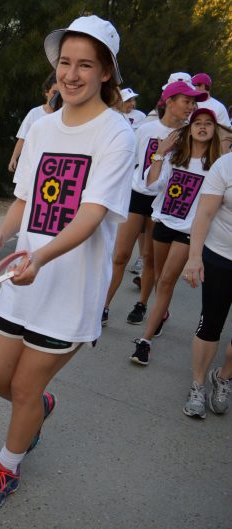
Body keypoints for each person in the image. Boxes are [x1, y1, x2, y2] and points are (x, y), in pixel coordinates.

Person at [0, 15, 135, 512]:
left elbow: (90, 216)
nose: (72, 74)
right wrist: (1, 233)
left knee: (23, 386)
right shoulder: (41, 126)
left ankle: (6, 467)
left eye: (86, 64)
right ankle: (37, 411)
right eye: (66, 62)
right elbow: (25, 200)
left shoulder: (116, 134)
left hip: (68, 287)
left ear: (106, 72)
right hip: (25, 277)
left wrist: (40, 255)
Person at [101, 80, 207, 327]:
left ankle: (142, 304)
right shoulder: (144, 130)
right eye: (187, 101)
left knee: (149, 257)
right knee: (120, 255)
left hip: (164, 203)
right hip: (137, 195)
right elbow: (128, 164)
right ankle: (103, 307)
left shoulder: (190, 135)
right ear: (169, 102)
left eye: (194, 103)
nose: (191, 107)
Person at [129, 108, 224, 366]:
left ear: (215, 130)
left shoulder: (217, 165)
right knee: (160, 278)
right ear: (189, 129)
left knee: (168, 280)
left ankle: (145, 341)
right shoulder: (175, 157)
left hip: (188, 231)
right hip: (163, 222)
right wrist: (161, 152)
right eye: (197, 123)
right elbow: (151, 184)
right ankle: (161, 312)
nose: (202, 127)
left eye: (208, 124)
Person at [182, 151, 232, 418]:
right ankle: (198, 384)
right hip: (221, 256)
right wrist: (194, 257)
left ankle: (223, 377)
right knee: (210, 324)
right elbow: (204, 213)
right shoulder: (226, 165)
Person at [8, 72, 59, 172]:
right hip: (31, 164)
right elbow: (22, 138)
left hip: (52, 166)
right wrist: (13, 158)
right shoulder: (34, 113)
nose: (57, 96)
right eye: (54, 92)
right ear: (46, 92)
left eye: (60, 93)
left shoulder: (64, 116)